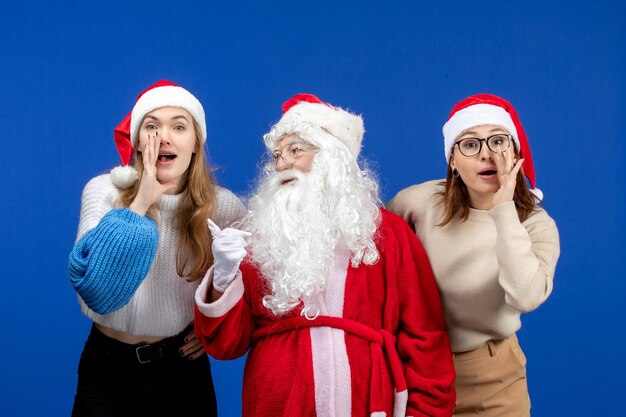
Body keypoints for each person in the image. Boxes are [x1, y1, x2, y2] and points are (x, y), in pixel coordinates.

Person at [194, 93, 456, 417]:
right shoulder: (258, 237)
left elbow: (425, 338)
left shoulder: (389, 233)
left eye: (295, 150)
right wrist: (223, 275)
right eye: (277, 155)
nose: (281, 164)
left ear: (332, 158)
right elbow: (225, 346)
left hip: (367, 403)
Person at [68, 80, 246, 416]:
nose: (163, 137)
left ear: (196, 143)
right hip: (107, 370)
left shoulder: (224, 209)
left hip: (182, 372)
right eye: (152, 126)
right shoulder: (104, 193)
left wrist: (210, 324)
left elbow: (248, 289)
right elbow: (95, 291)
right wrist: (141, 201)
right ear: (137, 141)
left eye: (179, 126)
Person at [387, 93, 560, 416]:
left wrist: (505, 210)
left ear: (515, 152)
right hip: (417, 373)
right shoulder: (416, 204)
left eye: (498, 141)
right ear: (452, 159)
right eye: (470, 144)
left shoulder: (535, 225)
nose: (486, 155)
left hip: (491, 379)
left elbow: (525, 296)